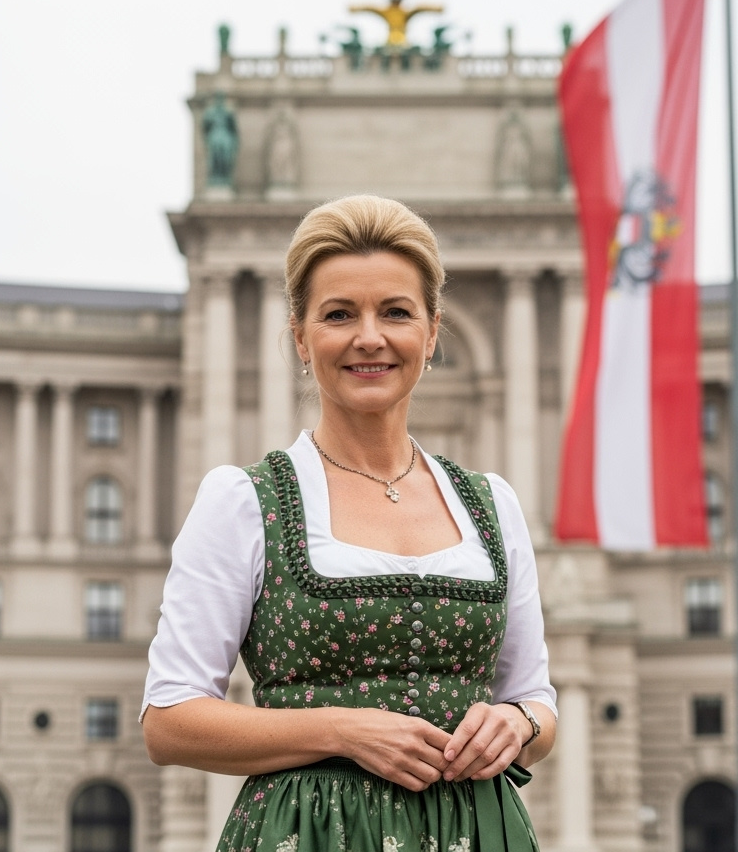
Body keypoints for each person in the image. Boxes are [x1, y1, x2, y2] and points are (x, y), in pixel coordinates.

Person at [141, 195, 558, 852]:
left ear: (431, 333)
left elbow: (536, 699)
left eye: (396, 312)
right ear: (301, 338)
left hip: (477, 831)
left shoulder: (493, 504)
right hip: (309, 833)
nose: (370, 337)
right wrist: (342, 730)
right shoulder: (242, 501)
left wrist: (519, 724)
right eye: (339, 314)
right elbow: (168, 722)